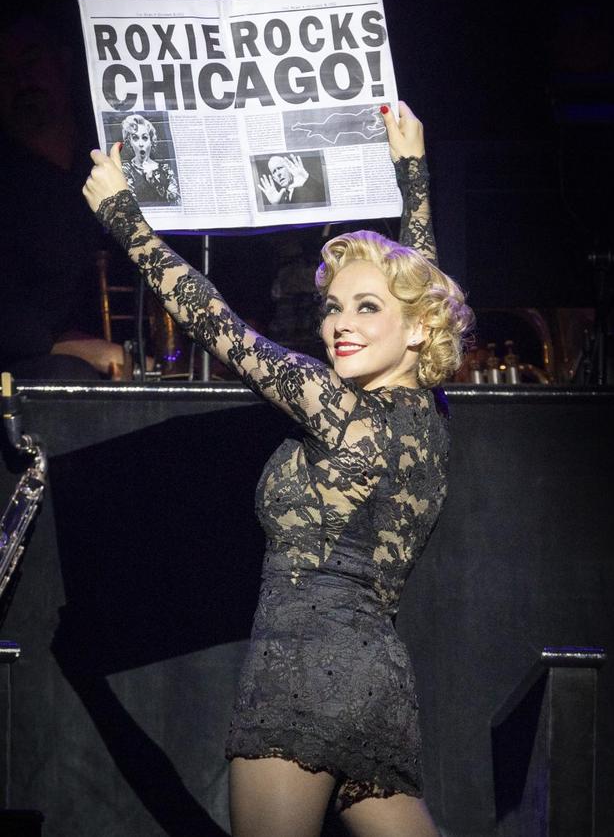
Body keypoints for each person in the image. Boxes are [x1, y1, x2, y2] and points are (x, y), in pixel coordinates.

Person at [83, 101, 474, 837]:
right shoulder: (429, 416)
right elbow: (420, 295)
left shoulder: (339, 408)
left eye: (364, 307)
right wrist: (412, 177)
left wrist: (126, 222)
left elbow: (218, 327)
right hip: (376, 679)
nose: (338, 324)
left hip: (302, 668)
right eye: (331, 308)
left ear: (418, 326)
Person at [0, 10, 124, 380]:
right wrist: (67, 348)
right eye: (4, 71)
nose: (21, 80)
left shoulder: (110, 155)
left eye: (31, 61)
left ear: (63, 63)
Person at [121, 113, 180, 206]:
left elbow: (176, 201)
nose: (141, 144)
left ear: (151, 141)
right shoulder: (126, 170)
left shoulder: (165, 169)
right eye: (135, 138)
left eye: (145, 138)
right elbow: (130, 203)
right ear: (130, 143)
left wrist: (154, 181)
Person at [259, 153, 326, 206]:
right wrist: (275, 205)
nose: (278, 174)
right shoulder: (281, 199)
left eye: (280, 168)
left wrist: (307, 180)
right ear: (274, 179)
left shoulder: (308, 189)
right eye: (274, 172)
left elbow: (325, 197)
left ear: (289, 168)